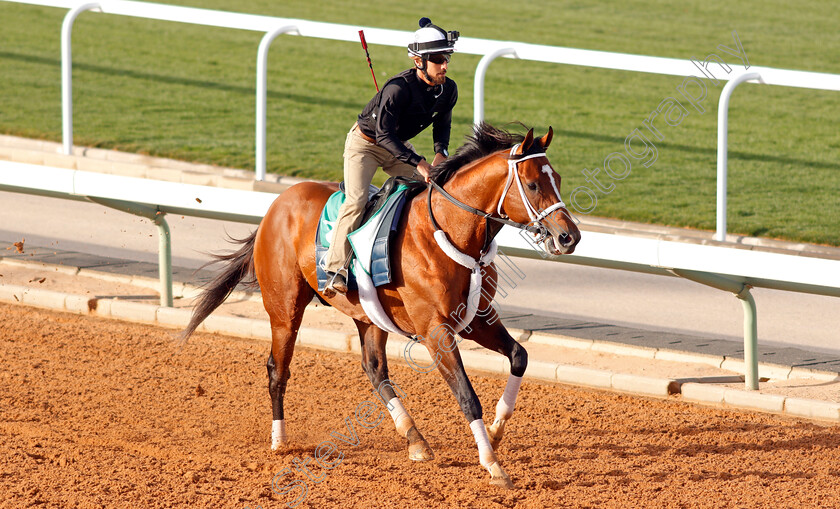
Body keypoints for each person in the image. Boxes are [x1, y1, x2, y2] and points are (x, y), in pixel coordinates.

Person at [322, 17, 460, 297]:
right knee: (357, 200)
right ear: (418, 61)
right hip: (366, 144)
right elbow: (383, 135)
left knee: (432, 189)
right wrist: (419, 162)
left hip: (397, 146)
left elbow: (442, 123)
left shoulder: (448, 89)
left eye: (446, 57)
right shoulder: (397, 88)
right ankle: (335, 268)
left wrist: (440, 153)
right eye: (437, 59)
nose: (444, 65)